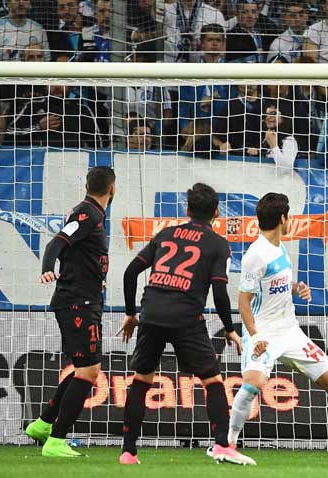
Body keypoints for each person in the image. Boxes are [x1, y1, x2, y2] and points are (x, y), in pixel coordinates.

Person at [228, 192, 328, 463]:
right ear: (283, 218)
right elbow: (243, 302)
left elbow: (275, 286)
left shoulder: (280, 249)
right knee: (253, 384)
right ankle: (227, 445)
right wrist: (255, 336)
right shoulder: (256, 254)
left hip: (290, 332)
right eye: (289, 215)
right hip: (263, 332)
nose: (291, 220)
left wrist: (296, 289)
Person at [116, 183, 246, 465]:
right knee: (212, 379)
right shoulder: (217, 243)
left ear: (187, 210)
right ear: (216, 213)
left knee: (141, 380)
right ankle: (222, 445)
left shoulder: (165, 234)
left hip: (150, 312)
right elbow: (220, 291)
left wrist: (131, 313)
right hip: (186, 316)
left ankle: (128, 451)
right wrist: (230, 328)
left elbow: (130, 273)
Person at [24, 166, 116, 457]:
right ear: (112, 189)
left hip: (82, 300)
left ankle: (42, 425)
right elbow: (57, 242)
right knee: (89, 372)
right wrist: (47, 268)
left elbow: (75, 250)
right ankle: (56, 441)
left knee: (83, 369)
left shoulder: (93, 214)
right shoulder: (87, 214)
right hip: (77, 302)